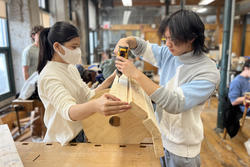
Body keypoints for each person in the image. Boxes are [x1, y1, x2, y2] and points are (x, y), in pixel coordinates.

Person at [114, 9, 220, 167]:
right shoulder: (171, 52)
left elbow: (174, 103)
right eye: (166, 38)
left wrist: (136, 74)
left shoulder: (208, 72)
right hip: (160, 138)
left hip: (183, 150)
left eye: (174, 39)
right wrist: (126, 41)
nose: (168, 44)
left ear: (191, 38)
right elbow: (141, 46)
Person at [37, 22, 131, 145]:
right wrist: (95, 105)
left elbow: (87, 95)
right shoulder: (49, 76)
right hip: (62, 142)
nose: (78, 51)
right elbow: (69, 111)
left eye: (78, 46)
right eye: (74, 47)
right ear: (57, 47)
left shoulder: (70, 68)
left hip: (80, 133)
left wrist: (112, 77)